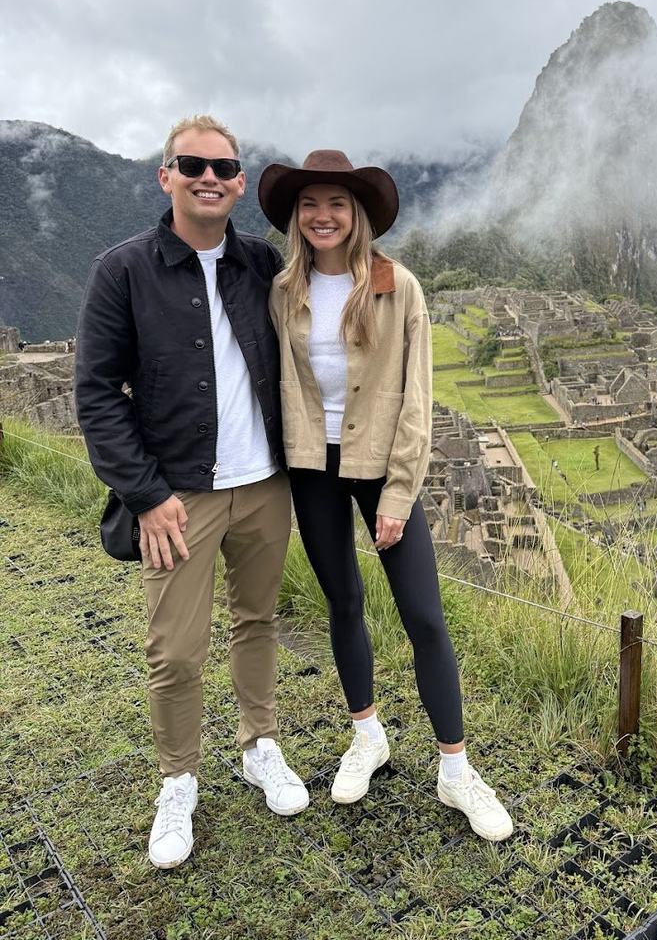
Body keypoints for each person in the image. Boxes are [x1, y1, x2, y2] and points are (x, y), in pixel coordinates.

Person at [259, 150, 513, 842]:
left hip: (380, 467)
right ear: (296, 216)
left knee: (424, 615)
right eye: (311, 204)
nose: (323, 216)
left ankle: (456, 769)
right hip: (312, 465)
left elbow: (416, 399)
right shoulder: (286, 290)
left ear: (358, 213)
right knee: (343, 601)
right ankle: (366, 734)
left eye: (337, 204)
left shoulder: (398, 286)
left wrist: (399, 491)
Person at [75, 115, 308, 870]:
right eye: (193, 165)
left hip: (265, 484)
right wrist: (145, 494)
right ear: (166, 174)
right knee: (175, 650)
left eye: (224, 167)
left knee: (258, 620)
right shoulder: (125, 270)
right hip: (180, 495)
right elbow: (97, 392)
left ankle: (258, 744)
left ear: (240, 181)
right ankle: (177, 779)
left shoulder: (258, 262)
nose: (209, 177)